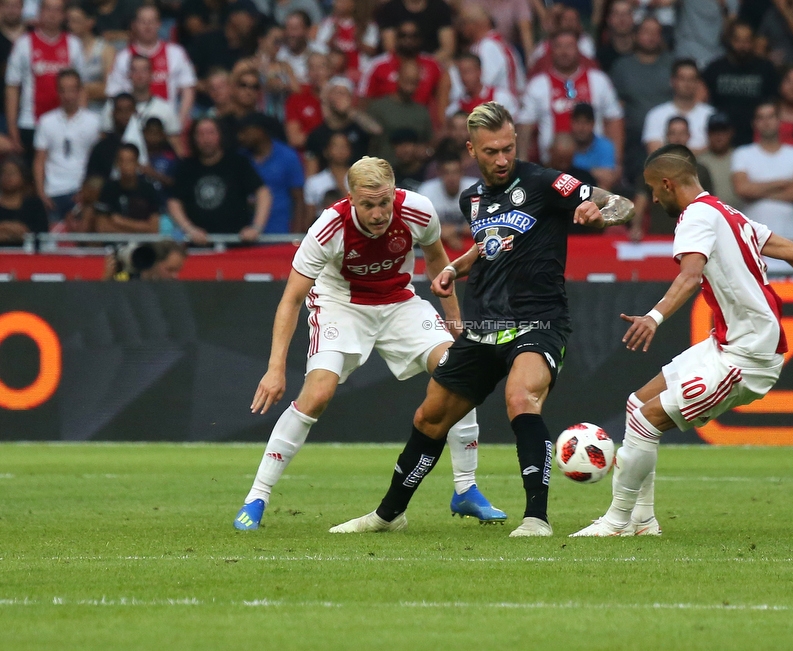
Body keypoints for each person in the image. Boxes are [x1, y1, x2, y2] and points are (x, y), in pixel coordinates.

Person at [329, 102, 636, 537]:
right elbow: (491, 244)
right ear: (472, 150)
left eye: (508, 148)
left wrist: (598, 211)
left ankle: (536, 519)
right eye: (491, 151)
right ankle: (388, 515)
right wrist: (456, 266)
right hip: (485, 326)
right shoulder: (470, 198)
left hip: (540, 322)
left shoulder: (547, 182)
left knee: (520, 399)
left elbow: (621, 205)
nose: (502, 158)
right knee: (429, 419)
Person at [569, 142, 793, 537]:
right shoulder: (727, 213)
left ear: (668, 184)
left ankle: (615, 523)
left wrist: (654, 316)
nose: (652, 197)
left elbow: (688, 274)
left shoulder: (694, 218)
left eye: (653, 188)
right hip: (725, 343)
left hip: (746, 357)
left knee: (648, 422)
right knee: (637, 405)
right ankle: (643, 522)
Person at [236, 156, 505, 531]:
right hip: (341, 305)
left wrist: (454, 323)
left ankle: (466, 489)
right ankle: (257, 497)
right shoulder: (329, 228)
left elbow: (438, 264)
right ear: (351, 199)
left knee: (458, 370)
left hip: (398, 302)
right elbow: (291, 299)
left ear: (394, 194)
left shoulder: (418, 211)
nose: (378, 213)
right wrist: (275, 368)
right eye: (368, 205)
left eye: (384, 202)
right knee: (317, 395)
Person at [518, 29, 624, 164]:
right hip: (552, 167)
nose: (564, 52)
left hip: (594, 166)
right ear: (551, 50)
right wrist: (522, 162)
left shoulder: (598, 80)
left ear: (578, 49)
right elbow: (525, 126)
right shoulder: (538, 84)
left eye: (569, 46)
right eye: (559, 46)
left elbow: (614, 120)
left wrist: (617, 161)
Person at [167, 117, 271, 245]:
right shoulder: (185, 167)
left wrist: (256, 227)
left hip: (237, 244)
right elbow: (174, 202)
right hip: (199, 246)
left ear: (220, 135)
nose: (206, 139)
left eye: (211, 133)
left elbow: (263, 193)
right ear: (193, 138)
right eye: (201, 134)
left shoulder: (238, 163)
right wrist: (189, 229)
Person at [5, 0, 82, 162]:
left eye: (57, 10)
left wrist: (80, 123)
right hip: (30, 122)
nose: (52, 15)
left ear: (63, 15)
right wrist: (12, 130)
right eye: (48, 9)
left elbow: (81, 89)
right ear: (39, 12)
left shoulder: (74, 45)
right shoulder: (23, 44)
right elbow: (12, 88)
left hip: (65, 124)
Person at [731, 101, 793, 241]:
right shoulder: (742, 154)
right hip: (754, 240)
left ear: (779, 121)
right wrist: (782, 183)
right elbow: (742, 190)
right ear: (754, 123)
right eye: (761, 117)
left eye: (770, 117)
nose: (766, 122)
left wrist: (757, 192)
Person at [106, 6, 197, 128]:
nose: (147, 26)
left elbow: (188, 88)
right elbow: (114, 92)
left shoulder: (176, 53)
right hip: (132, 123)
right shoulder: (123, 57)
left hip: (167, 120)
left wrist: (178, 122)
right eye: (143, 22)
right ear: (134, 25)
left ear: (159, 24)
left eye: (152, 22)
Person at [610, 17, 674, 183]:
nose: (651, 37)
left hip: (669, 137)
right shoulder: (622, 66)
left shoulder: (672, 64)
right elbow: (615, 107)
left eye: (656, 32)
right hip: (634, 140)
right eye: (646, 32)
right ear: (636, 35)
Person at [630, 115, 715, 240]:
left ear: (689, 136)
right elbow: (641, 201)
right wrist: (635, 227)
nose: (678, 138)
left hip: (693, 238)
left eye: (682, 133)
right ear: (667, 136)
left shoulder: (701, 171)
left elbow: (710, 206)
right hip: (659, 238)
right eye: (673, 133)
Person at [33, 69, 100, 222]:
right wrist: (41, 193)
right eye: (63, 90)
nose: (68, 96)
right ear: (58, 91)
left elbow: (96, 162)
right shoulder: (46, 121)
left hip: (81, 191)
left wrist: (88, 191)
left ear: (79, 91)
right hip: (53, 192)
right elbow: (39, 160)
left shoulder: (94, 121)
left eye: (72, 90)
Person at [703, 20, 780, 147]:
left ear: (753, 42)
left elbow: (775, 102)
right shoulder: (714, 68)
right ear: (730, 41)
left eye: (747, 41)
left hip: (756, 138)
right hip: (721, 137)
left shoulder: (766, 68)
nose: (742, 46)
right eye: (738, 40)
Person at [359, 21, 448, 126]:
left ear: (420, 39)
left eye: (413, 36)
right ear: (396, 38)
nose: (408, 40)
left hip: (419, 124)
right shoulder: (377, 65)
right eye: (403, 35)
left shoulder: (432, 65)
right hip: (384, 124)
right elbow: (364, 102)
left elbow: (442, 100)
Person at [103, 56, 184, 160]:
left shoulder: (165, 109)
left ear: (151, 74)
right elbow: (104, 141)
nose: (139, 75)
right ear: (129, 74)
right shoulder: (113, 105)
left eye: (144, 70)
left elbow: (176, 145)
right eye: (135, 70)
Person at [239, 114, 305, 235]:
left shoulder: (287, 156)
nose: (241, 137)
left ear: (260, 131)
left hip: (279, 233)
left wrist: (296, 235)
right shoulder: (240, 158)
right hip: (245, 234)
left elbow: (299, 198)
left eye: (245, 132)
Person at [304, 76, 381, 175]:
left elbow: (377, 131)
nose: (339, 97)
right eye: (336, 93)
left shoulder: (360, 129)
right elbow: (311, 173)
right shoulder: (317, 134)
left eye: (343, 93)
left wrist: (349, 111)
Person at [366, 60, 434, 164]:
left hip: (414, 173)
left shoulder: (422, 112)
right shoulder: (378, 108)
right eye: (407, 79)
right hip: (384, 171)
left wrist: (425, 151)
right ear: (398, 77)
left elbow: (428, 145)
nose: (409, 86)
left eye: (414, 81)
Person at [642, 59, 715, 155]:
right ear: (673, 81)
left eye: (692, 79)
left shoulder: (711, 115)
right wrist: (700, 151)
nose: (687, 84)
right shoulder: (656, 115)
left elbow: (715, 152)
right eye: (682, 79)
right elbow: (655, 154)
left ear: (698, 82)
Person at [457, 3, 526, 97]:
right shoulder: (500, 42)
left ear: (474, 24)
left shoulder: (487, 47)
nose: (461, 29)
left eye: (463, 23)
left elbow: (481, 84)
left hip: (499, 105)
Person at [417, 143, 478, 250]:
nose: (451, 178)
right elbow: (418, 227)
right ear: (439, 173)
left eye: (455, 172)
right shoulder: (426, 191)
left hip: (472, 245)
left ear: (462, 172)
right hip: (436, 245)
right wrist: (442, 233)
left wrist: (455, 229)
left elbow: (487, 223)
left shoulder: (475, 189)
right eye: (447, 172)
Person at [92, 143, 160, 234]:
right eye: (121, 161)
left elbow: (153, 228)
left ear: (137, 163)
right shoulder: (108, 189)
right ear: (117, 163)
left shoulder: (149, 189)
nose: (125, 165)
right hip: (115, 244)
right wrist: (141, 227)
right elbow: (102, 227)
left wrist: (121, 222)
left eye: (130, 161)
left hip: (144, 244)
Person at [311, 0, 379, 83]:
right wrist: (333, 34)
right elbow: (320, 48)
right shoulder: (328, 23)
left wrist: (358, 39)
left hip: (358, 72)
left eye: (343, 1)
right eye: (338, 2)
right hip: (333, 73)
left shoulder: (366, 25)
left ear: (352, 4)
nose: (340, 4)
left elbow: (373, 50)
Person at [66, 3, 114, 114]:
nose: (70, 25)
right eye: (68, 21)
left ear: (90, 22)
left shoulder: (105, 50)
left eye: (75, 21)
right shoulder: (64, 48)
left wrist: (76, 90)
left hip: (98, 111)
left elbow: (109, 88)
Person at [375, 0, 455, 65]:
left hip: (433, 61)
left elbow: (447, 48)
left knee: (450, 66)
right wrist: (409, 66)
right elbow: (389, 47)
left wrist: (426, 64)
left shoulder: (440, 7)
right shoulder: (391, 8)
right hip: (399, 63)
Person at [445, 52, 519, 120]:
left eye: (468, 72)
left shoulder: (501, 99)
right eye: (461, 73)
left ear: (479, 71)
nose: (464, 78)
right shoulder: (455, 108)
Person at [303, 131, 351, 229]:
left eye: (344, 146)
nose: (340, 150)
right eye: (336, 146)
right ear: (326, 151)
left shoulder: (361, 179)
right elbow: (309, 217)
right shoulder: (313, 182)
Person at [86, 92, 135, 181]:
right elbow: (93, 179)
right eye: (120, 110)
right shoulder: (102, 147)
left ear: (135, 112)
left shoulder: (149, 142)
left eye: (128, 110)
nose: (124, 115)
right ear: (113, 113)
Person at [571, 102, 619, 190]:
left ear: (593, 124)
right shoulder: (565, 146)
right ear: (571, 123)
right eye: (578, 122)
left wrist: (577, 171)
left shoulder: (605, 145)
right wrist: (595, 171)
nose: (582, 128)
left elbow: (608, 178)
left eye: (586, 123)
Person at [697, 112, 740, 209]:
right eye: (714, 131)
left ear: (731, 132)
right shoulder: (699, 162)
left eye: (723, 130)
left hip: (740, 216)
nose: (718, 136)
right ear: (707, 133)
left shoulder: (741, 157)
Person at [0, 157, 46, 244]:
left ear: (23, 176)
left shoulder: (34, 205)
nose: (7, 177)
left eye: (12, 173)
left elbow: (41, 233)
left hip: (28, 255)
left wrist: (5, 229)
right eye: (4, 172)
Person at [276, 11, 319, 85]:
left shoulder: (320, 51)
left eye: (295, 29)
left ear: (307, 30)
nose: (290, 33)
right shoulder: (278, 53)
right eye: (287, 28)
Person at [597, 0, 635, 72]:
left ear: (633, 18)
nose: (622, 18)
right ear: (608, 20)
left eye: (626, 13)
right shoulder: (601, 57)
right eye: (616, 14)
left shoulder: (644, 51)